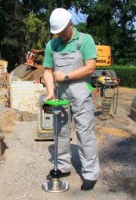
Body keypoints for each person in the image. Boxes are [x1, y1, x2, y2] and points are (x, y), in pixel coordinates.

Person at [43, 8, 99, 191]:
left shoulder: (85, 40)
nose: (59, 34)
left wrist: (66, 76)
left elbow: (90, 67)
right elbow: (48, 70)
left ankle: (90, 173)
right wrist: (51, 91)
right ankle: (63, 165)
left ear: (70, 24)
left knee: (85, 133)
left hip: (81, 95)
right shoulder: (52, 45)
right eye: (56, 32)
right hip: (60, 96)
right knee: (60, 133)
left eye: (62, 30)